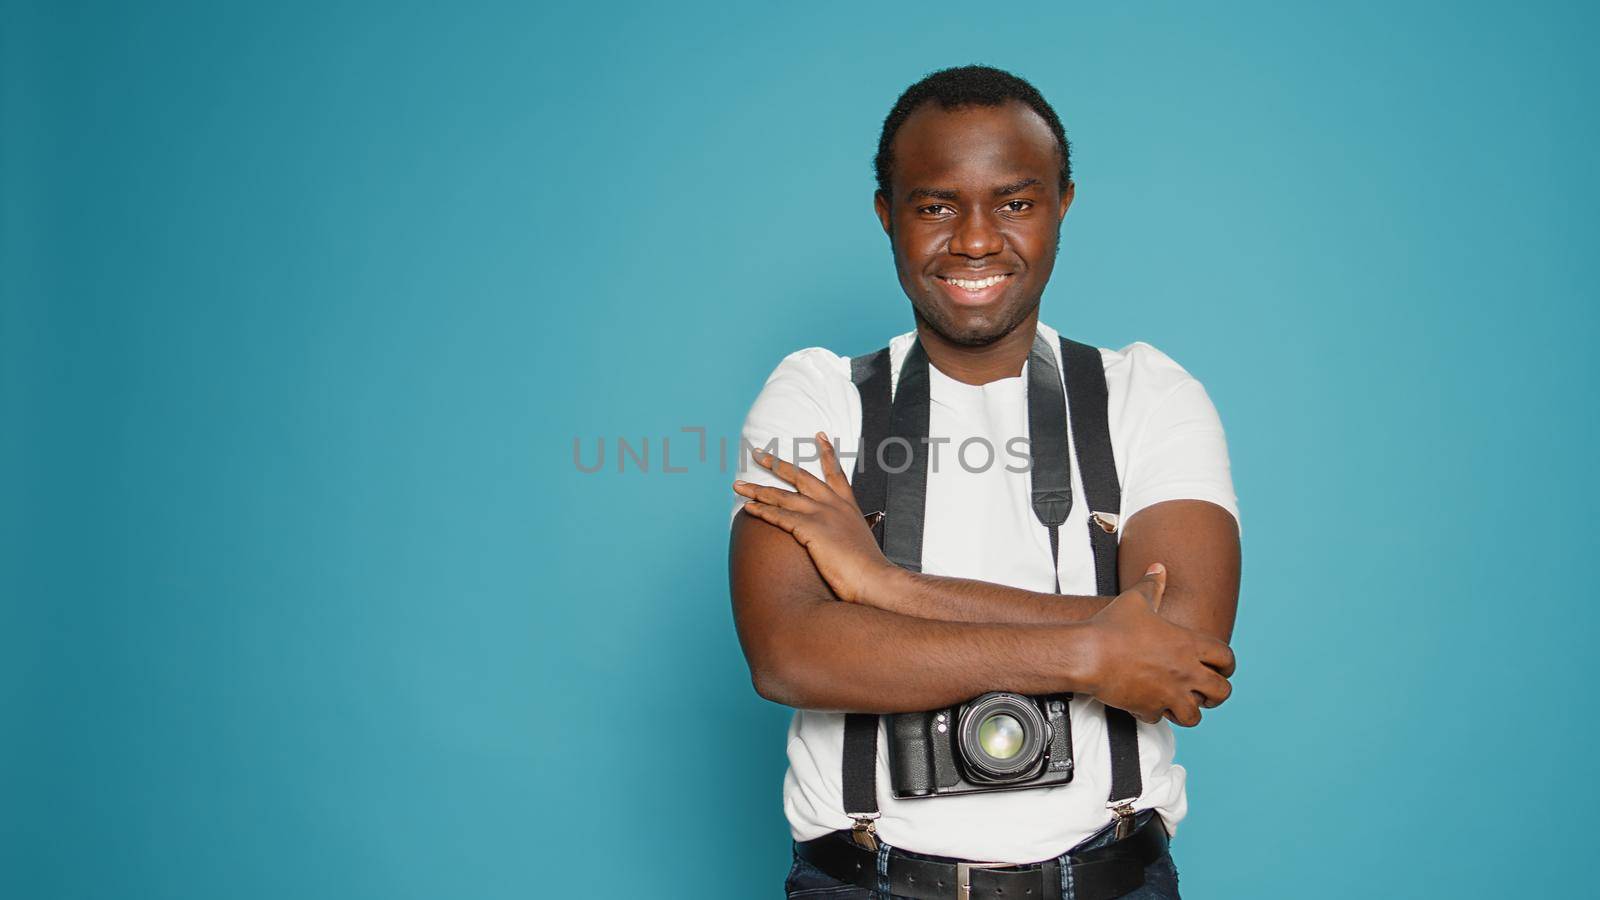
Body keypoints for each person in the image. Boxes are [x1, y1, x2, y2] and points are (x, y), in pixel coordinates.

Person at [728, 65, 1240, 900]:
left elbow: (1181, 657)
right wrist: (1089, 649)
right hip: (870, 882)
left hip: (1108, 877)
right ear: (886, 214)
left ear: (1063, 204)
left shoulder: (1148, 395)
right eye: (934, 206)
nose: (973, 240)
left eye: (1015, 202)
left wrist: (884, 587)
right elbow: (788, 652)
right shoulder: (817, 394)